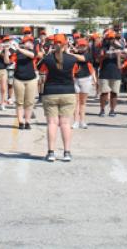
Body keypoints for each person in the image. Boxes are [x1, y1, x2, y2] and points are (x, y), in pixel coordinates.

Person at [39, 34, 79, 162]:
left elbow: (39, 68)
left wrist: (48, 53)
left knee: (52, 123)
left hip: (51, 92)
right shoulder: (72, 59)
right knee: (65, 123)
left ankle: (51, 152)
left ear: (53, 44)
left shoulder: (48, 59)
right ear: (66, 44)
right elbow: (76, 71)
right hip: (68, 92)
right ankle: (67, 152)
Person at [11, 35, 39, 130]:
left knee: (29, 102)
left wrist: (19, 48)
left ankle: (27, 122)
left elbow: (32, 55)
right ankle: (20, 122)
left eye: (31, 42)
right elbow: (8, 61)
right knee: (19, 102)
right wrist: (7, 50)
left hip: (31, 79)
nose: (30, 43)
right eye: (28, 42)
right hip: (18, 79)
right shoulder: (17, 52)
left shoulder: (32, 51)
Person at [71, 38, 96, 129]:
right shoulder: (74, 54)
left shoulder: (88, 54)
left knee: (82, 102)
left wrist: (72, 53)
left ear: (86, 46)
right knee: (75, 102)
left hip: (85, 79)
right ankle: (76, 121)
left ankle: (82, 121)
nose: (82, 47)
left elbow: (83, 59)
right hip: (75, 79)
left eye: (83, 46)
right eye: (80, 45)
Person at [97, 31, 122, 118]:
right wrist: (105, 56)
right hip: (104, 73)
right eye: (109, 38)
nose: (111, 40)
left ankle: (112, 110)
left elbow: (123, 60)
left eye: (112, 38)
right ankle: (102, 109)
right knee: (104, 93)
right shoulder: (103, 47)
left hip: (116, 73)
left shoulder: (120, 47)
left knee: (114, 93)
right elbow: (97, 59)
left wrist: (118, 54)